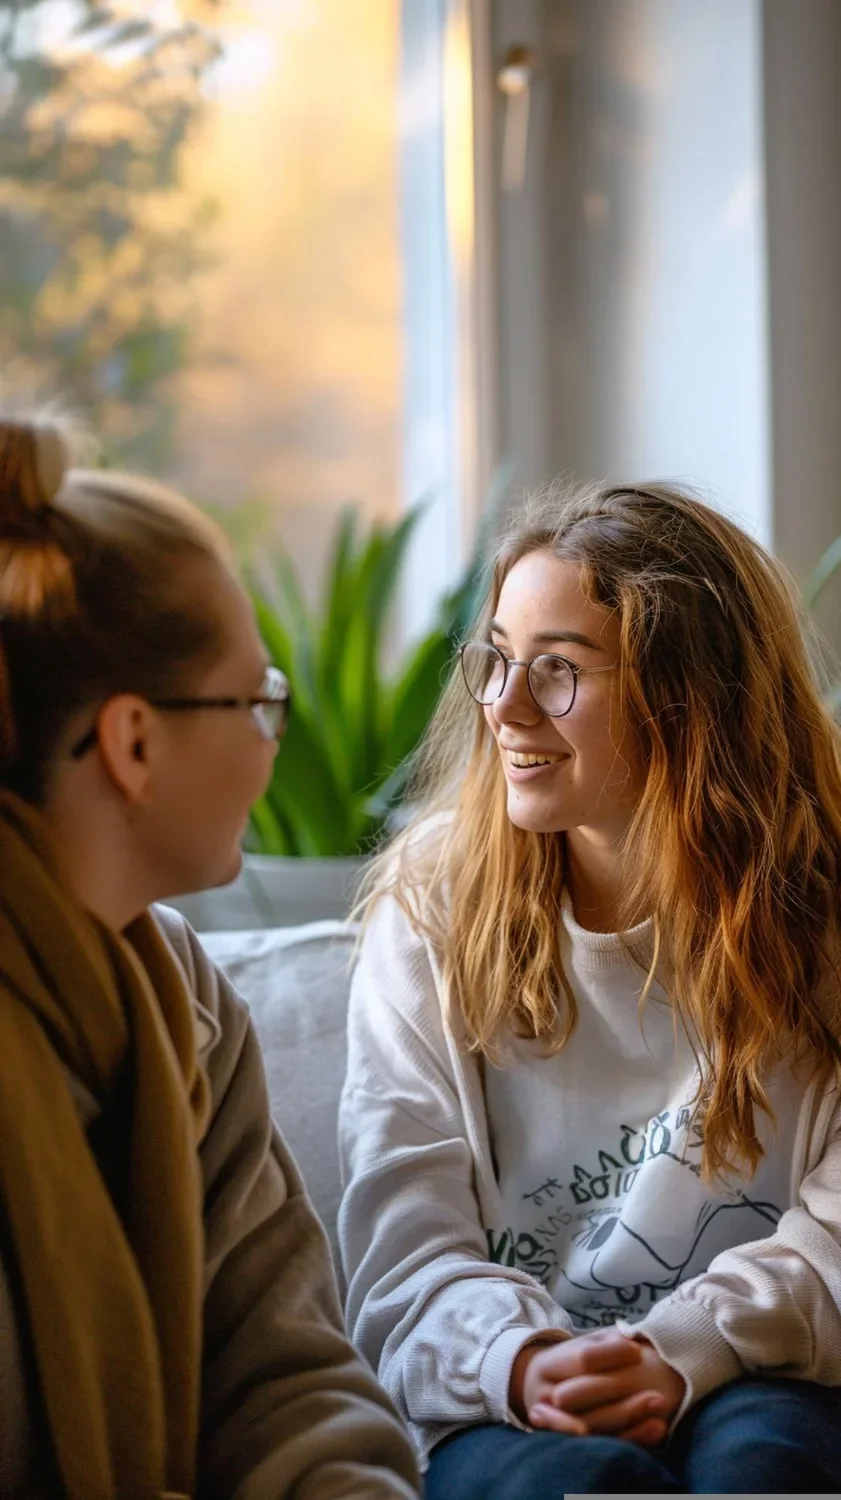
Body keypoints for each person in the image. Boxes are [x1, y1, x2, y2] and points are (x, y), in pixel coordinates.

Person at [338, 479, 841, 1497]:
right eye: (498, 661)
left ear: (687, 697)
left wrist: (680, 1347)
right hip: (506, 1388)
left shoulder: (818, 912)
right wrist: (524, 1363)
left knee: (762, 1463)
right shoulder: (432, 909)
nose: (503, 706)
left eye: (557, 670)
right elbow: (402, 1249)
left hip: (768, 1367)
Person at [0, 415, 420, 1500]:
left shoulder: (180, 996)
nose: (271, 738)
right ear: (135, 744)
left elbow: (285, 1377)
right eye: (256, 701)